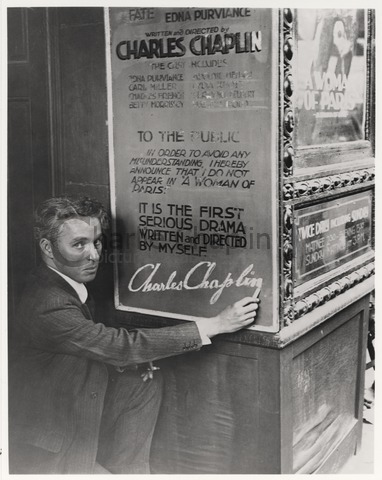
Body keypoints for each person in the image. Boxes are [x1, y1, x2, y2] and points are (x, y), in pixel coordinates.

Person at [8, 196, 259, 474]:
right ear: (47, 247)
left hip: (73, 409)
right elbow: (118, 345)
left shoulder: (63, 282)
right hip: (48, 450)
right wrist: (216, 324)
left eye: (97, 242)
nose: (94, 254)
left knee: (142, 380)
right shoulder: (48, 302)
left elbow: (98, 345)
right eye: (79, 244)